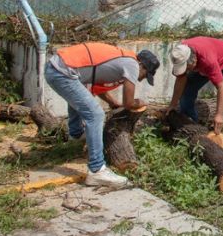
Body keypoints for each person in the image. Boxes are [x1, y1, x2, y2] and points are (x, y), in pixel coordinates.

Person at [45, 42, 160, 187]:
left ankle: (75, 136)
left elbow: (96, 87)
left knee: (80, 96)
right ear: (142, 65)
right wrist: (141, 102)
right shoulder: (132, 64)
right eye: (145, 74)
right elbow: (129, 103)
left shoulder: (121, 59)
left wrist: (113, 103)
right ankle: (97, 170)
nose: (141, 78)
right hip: (62, 72)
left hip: (57, 68)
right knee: (96, 114)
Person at [169, 37, 223, 150]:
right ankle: (192, 126)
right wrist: (172, 105)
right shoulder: (180, 53)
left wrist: (219, 114)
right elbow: (180, 80)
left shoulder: (207, 60)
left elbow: (221, 87)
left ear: (193, 61)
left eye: (186, 67)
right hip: (209, 59)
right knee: (187, 90)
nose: (185, 70)